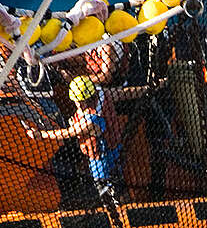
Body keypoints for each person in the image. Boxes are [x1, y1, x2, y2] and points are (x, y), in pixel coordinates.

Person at [26, 75, 161, 189]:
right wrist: (151, 87)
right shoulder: (102, 94)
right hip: (114, 145)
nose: (78, 105)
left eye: (81, 101)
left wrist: (41, 134)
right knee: (116, 179)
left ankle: (112, 204)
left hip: (100, 156)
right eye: (77, 101)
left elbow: (68, 133)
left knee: (104, 187)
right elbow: (127, 93)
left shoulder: (92, 119)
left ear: (89, 98)